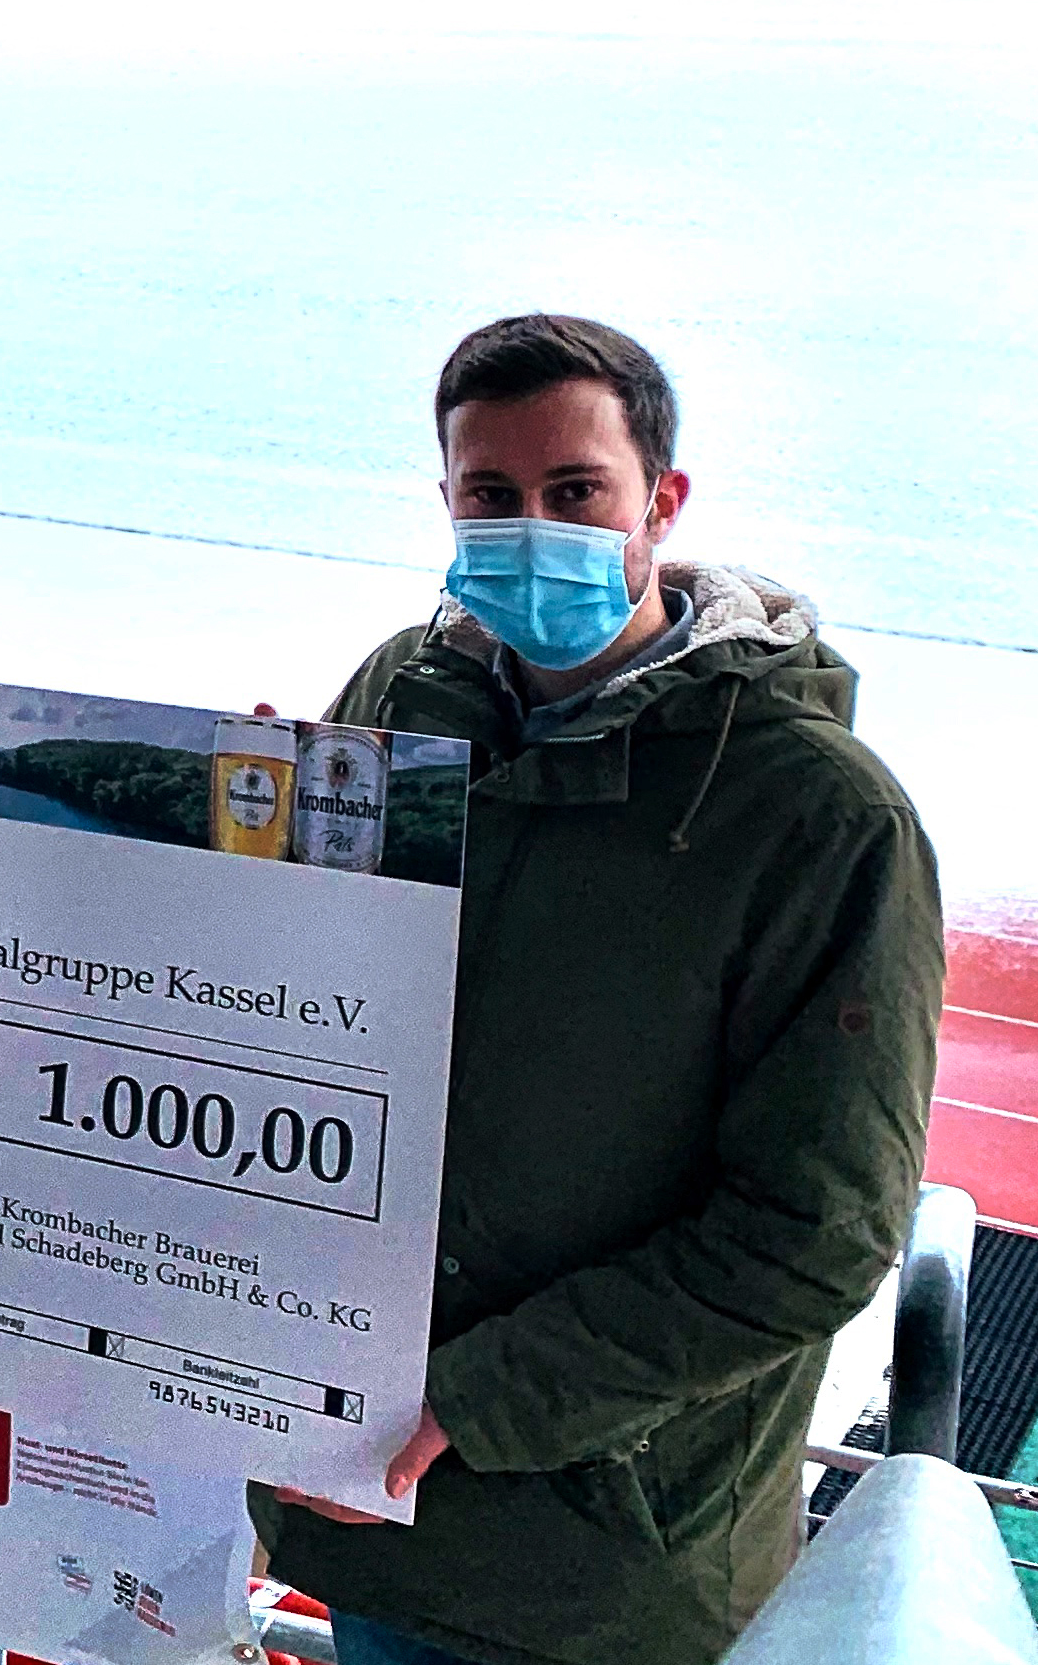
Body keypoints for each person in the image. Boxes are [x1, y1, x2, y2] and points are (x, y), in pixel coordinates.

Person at [265, 313, 943, 1665]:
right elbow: (296, 996)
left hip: (601, 1559)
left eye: (575, 493)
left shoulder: (819, 816)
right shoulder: (401, 689)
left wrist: (480, 1400)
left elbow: (815, 1234)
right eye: (490, 495)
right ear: (446, 501)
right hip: (356, 1494)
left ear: (661, 502)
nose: (532, 528)